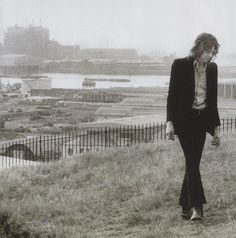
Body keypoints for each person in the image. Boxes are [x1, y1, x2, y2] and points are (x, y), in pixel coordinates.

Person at [166, 33, 221, 221]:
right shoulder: (180, 65)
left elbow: (212, 101)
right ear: (198, 48)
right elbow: (172, 96)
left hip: (201, 121)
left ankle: (184, 205)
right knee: (192, 161)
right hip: (184, 122)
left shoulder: (212, 69)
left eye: (213, 52)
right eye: (207, 51)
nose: (210, 55)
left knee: (192, 163)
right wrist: (169, 123)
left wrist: (216, 129)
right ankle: (197, 207)